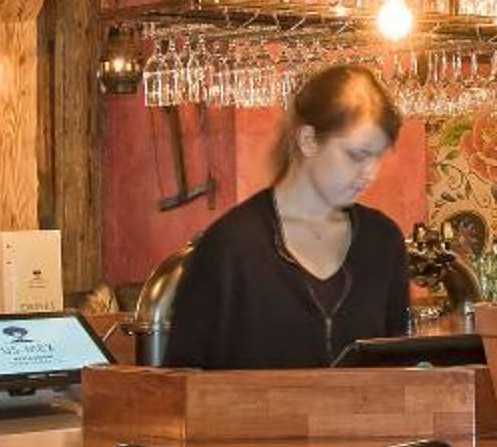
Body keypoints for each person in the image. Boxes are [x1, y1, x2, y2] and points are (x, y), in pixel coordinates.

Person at [162, 64, 411, 370]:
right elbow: (181, 381)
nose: (370, 173)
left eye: (377, 157)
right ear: (308, 140)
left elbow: (397, 373)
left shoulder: (383, 243)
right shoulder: (229, 247)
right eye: (356, 155)